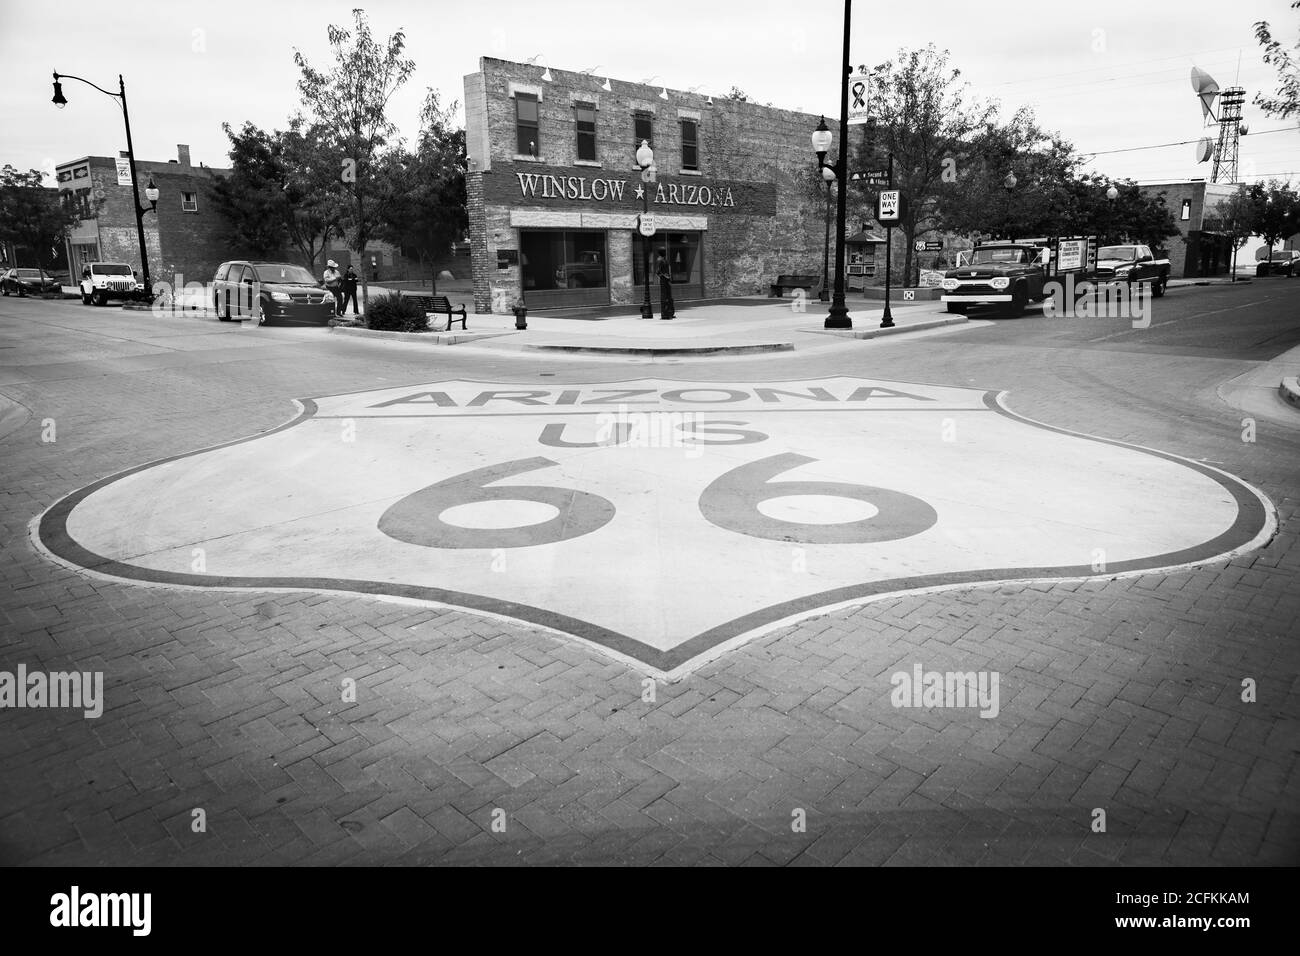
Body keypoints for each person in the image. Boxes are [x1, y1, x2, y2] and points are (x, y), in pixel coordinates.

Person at [656, 253, 675, 319]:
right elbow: (658, 272)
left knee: (669, 297)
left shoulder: (665, 261)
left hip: (667, 281)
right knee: (664, 297)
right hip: (664, 281)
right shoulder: (660, 261)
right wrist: (665, 276)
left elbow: (667, 271)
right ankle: (664, 314)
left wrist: (669, 278)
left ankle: (670, 313)